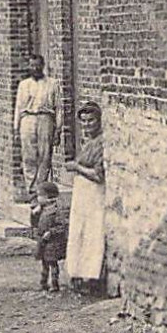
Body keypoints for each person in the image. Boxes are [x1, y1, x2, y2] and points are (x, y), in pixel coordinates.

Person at [65, 100, 107, 291]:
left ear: (99, 121)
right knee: (79, 232)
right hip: (82, 195)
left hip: (94, 195)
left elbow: (98, 175)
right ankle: (78, 272)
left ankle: (92, 276)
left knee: (93, 233)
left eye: (91, 120)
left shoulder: (101, 143)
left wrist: (77, 167)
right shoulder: (88, 142)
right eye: (84, 121)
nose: (87, 125)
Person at [13, 54, 62, 195]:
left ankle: (41, 187)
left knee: (45, 155)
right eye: (32, 65)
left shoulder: (52, 84)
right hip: (28, 119)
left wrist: (58, 129)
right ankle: (31, 189)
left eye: (38, 65)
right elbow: (18, 107)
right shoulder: (23, 85)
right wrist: (16, 128)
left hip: (45, 118)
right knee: (29, 156)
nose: (35, 68)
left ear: (43, 65)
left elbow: (58, 107)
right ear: (29, 67)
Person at [34, 180, 67, 292]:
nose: (38, 198)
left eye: (40, 195)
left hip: (53, 243)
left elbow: (61, 227)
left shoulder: (56, 210)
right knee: (44, 264)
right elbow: (34, 223)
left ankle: (54, 284)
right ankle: (43, 283)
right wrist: (35, 213)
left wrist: (51, 232)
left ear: (48, 197)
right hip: (43, 241)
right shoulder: (41, 209)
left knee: (52, 263)